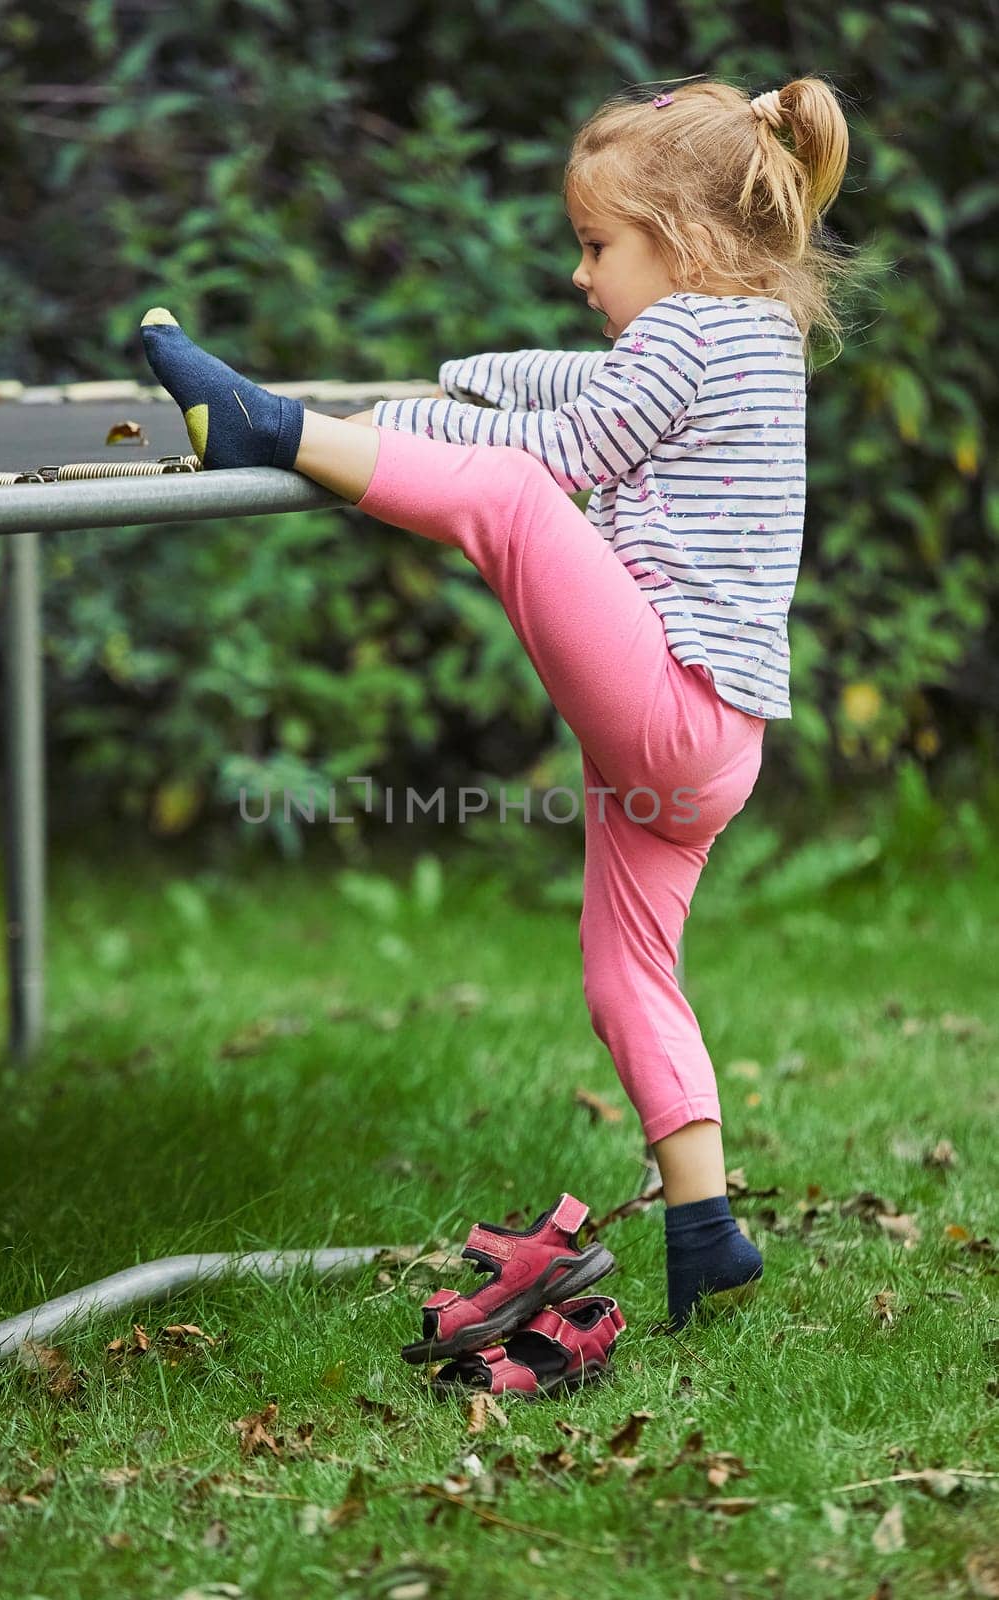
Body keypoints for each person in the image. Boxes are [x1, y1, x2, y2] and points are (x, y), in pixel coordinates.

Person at [138, 75, 853, 1331]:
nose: (581, 274)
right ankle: (706, 1232)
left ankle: (259, 422)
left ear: (681, 245)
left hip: (668, 702)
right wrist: (437, 397)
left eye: (595, 246)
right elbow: (564, 383)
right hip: (712, 743)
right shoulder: (748, 335)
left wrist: (339, 432)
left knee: (515, 502)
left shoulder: (684, 338)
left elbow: (563, 451)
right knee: (627, 972)